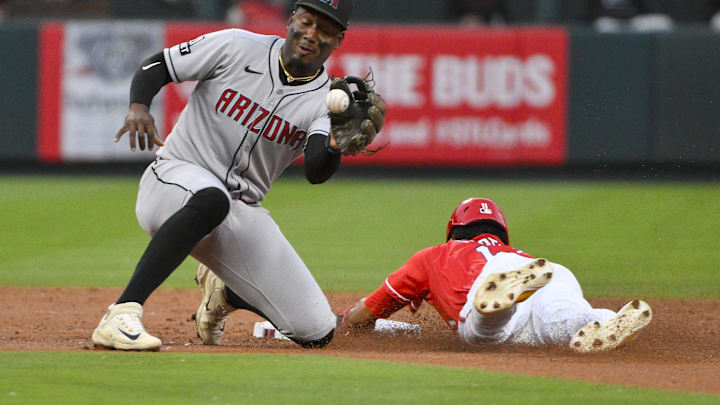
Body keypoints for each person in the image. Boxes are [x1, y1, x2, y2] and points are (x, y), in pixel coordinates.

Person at [91, 0, 375, 351]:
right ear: (291, 20)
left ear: (339, 40)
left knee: (315, 330)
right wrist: (139, 106)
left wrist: (335, 144)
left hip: (240, 210)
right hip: (174, 181)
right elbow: (158, 65)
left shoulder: (325, 100)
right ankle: (121, 313)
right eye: (307, 21)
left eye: (326, 29)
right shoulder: (238, 45)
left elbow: (317, 171)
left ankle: (223, 294)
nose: (311, 34)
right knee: (212, 199)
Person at [339, 198, 653, 353]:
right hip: (549, 271)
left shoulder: (434, 255)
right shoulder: (518, 255)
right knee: (563, 323)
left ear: (454, 230)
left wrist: (349, 319)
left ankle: (498, 304)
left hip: (491, 283)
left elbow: (364, 316)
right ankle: (606, 318)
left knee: (485, 335)